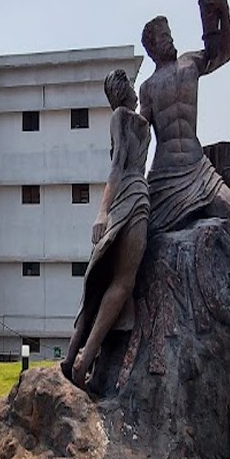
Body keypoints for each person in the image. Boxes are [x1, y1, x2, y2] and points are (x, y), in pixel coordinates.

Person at [139, 0, 230, 267]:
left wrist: (222, 15)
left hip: (198, 169)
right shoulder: (148, 88)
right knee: (143, 248)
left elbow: (221, 52)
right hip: (164, 177)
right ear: (152, 47)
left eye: (170, 34)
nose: (170, 40)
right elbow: (139, 136)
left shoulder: (190, 64)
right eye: (164, 37)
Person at [61, 70, 150, 389]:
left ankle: (75, 357)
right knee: (116, 282)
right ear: (122, 91)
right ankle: (80, 359)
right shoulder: (127, 117)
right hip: (135, 196)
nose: (135, 89)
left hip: (128, 195)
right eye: (128, 85)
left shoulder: (128, 118)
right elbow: (119, 166)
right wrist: (101, 211)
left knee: (99, 279)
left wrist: (103, 211)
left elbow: (116, 166)